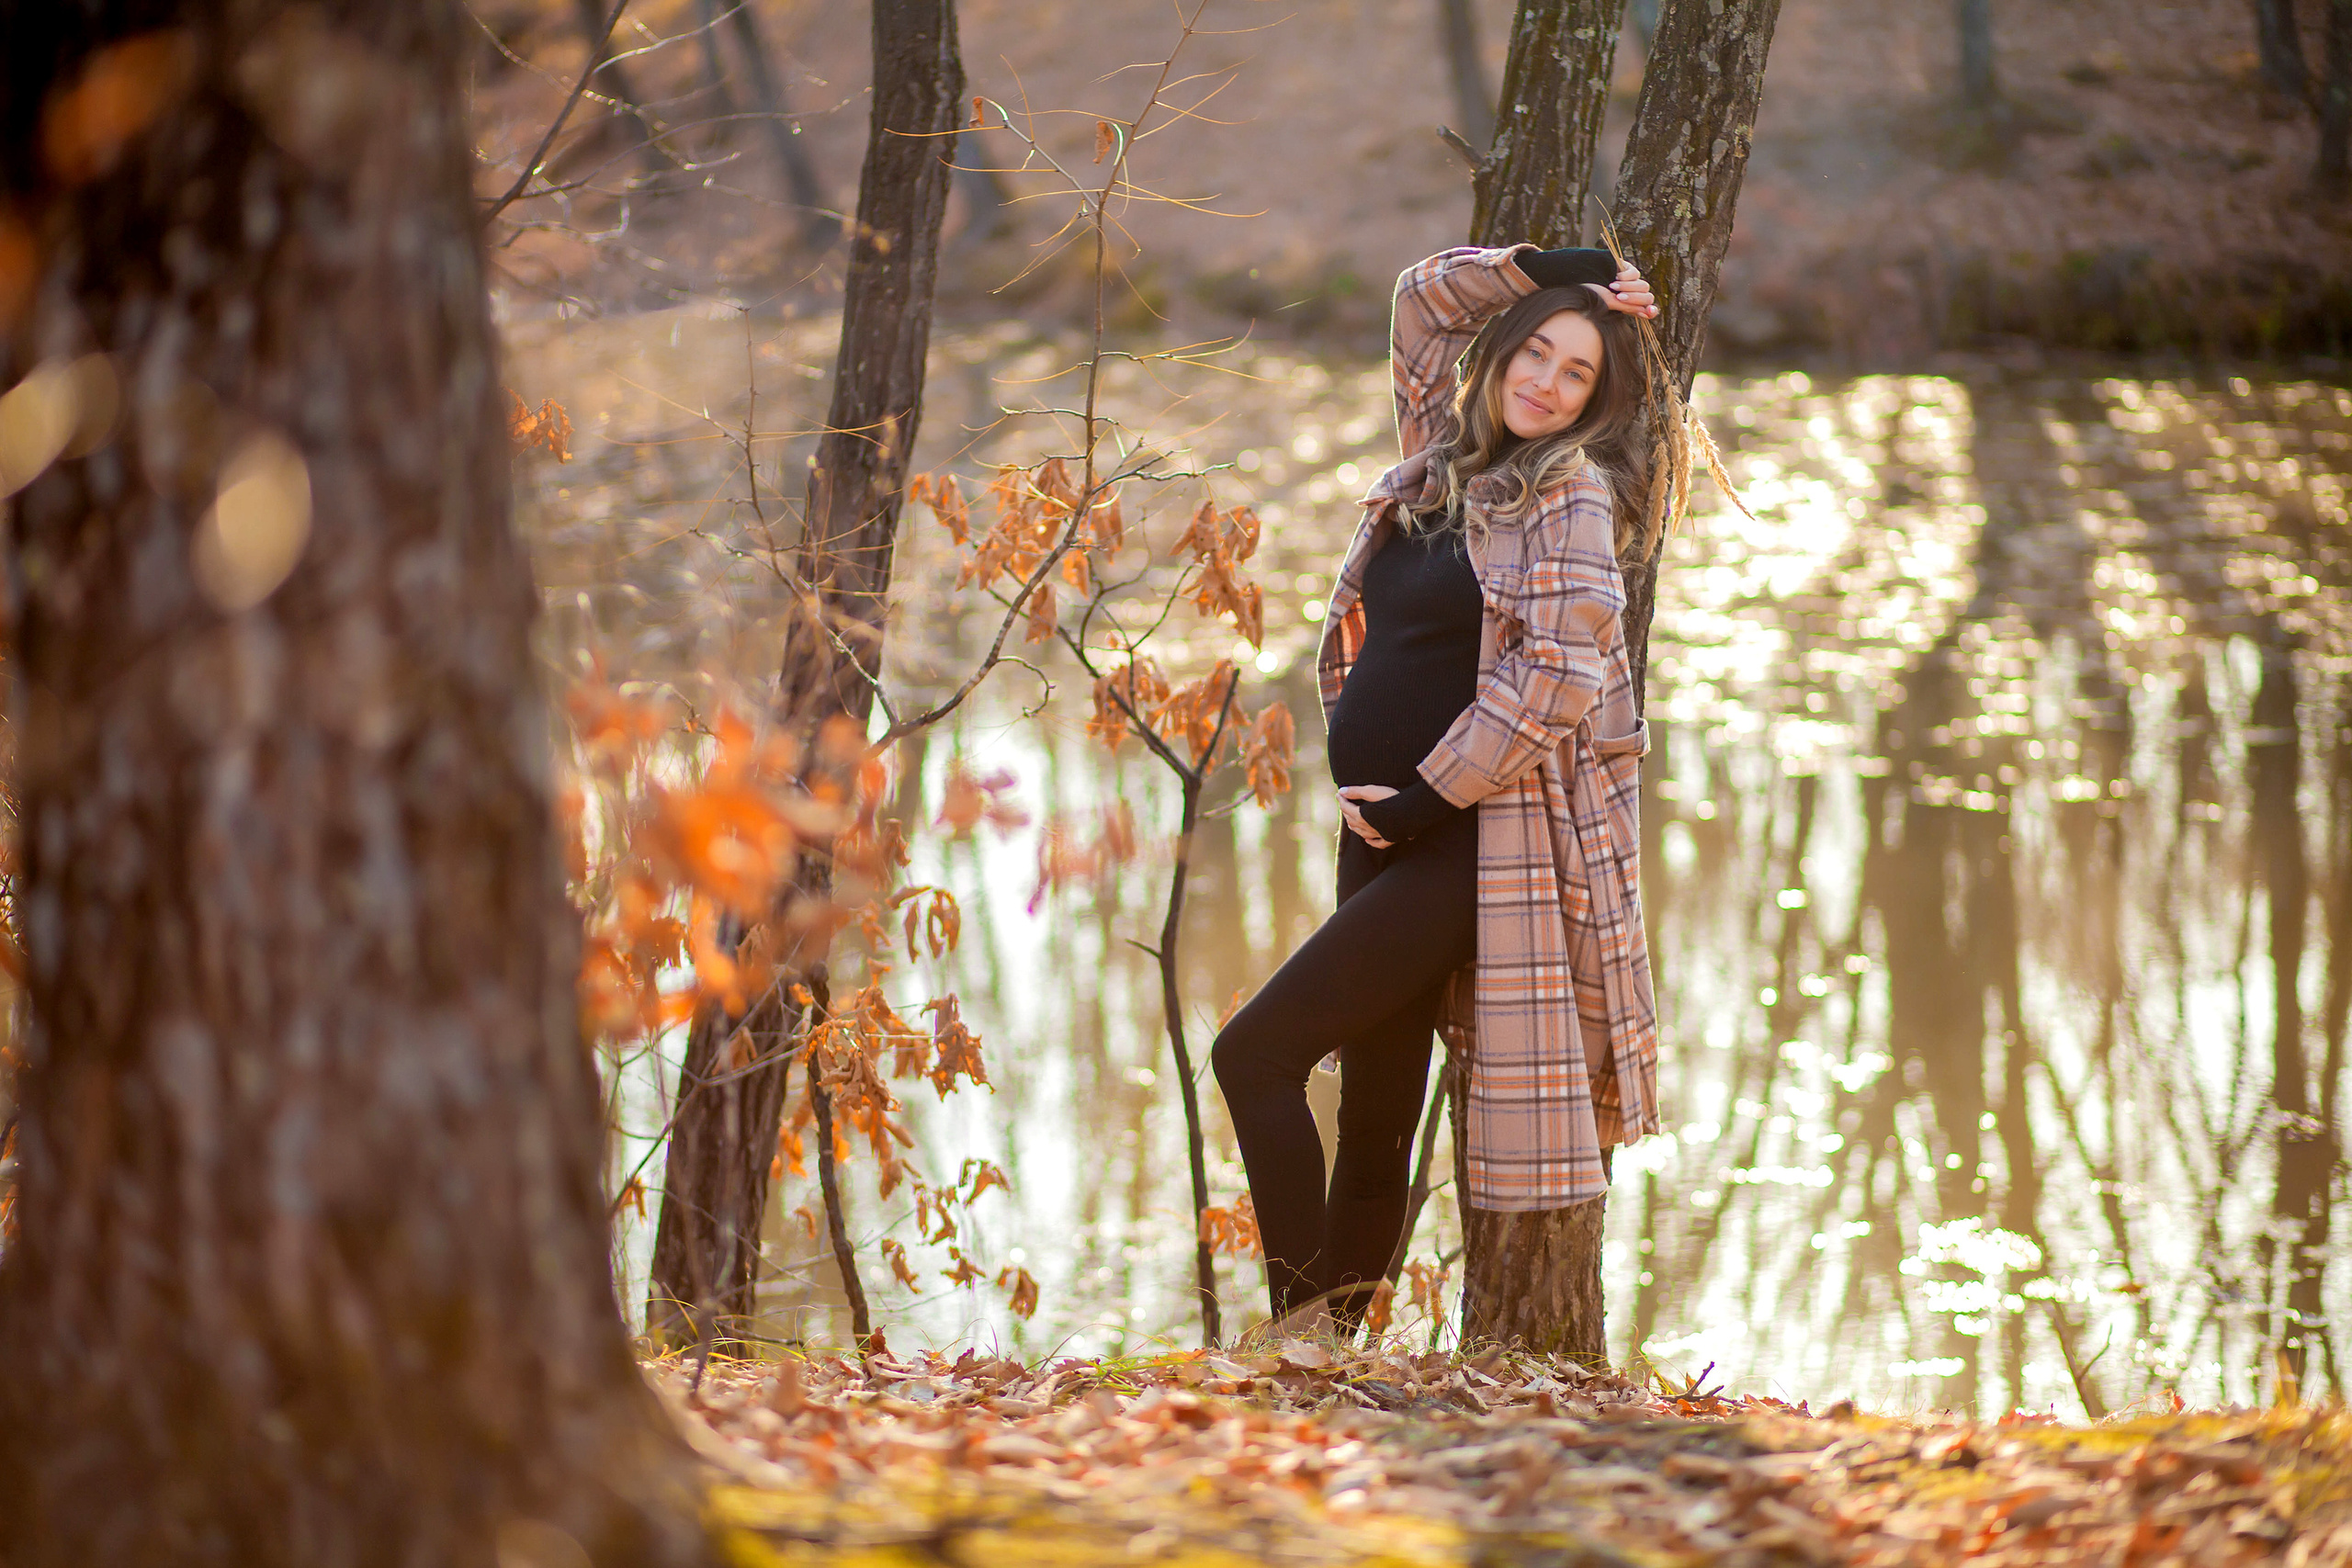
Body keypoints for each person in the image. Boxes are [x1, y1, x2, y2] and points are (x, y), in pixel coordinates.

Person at [1210, 243, 1664, 1334]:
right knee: (1374, 1110)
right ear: (1503, 350)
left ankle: (1295, 1339)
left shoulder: (1571, 497)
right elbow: (1420, 298)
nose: (1546, 385)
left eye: (1576, 377)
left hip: (1467, 843)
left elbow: (1561, 669)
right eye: (1538, 355)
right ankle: (1328, 1357)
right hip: (1381, 836)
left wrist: (1425, 798)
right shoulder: (1438, 461)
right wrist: (1567, 263)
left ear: (1595, 408)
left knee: (1253, 1055)